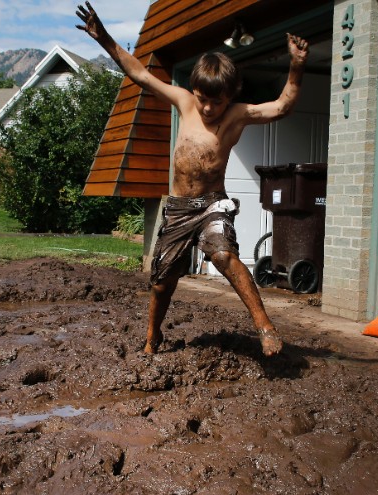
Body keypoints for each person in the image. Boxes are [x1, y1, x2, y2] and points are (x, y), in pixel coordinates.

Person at [77, 2, 309, 356]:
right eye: (202, 99)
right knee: (161, 283)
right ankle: (153, 337)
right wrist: (105, 38)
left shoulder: (237, 115)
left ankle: (265, 326)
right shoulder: (184, 102)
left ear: (229, 96)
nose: (206, 109)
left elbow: (282, 107)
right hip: (178, 208)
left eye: (215, 102)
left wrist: (296, 66)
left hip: (212, 205)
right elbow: (140, 74)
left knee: (222, 254)